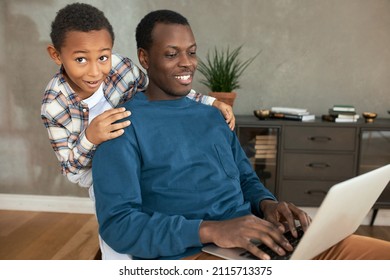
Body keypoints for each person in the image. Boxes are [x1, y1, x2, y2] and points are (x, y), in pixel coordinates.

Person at [92, 9, 390, 260]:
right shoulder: (121, 127)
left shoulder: (213, 116)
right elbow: (119, 225)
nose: (187, 62)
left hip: (256, 239)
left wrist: (267, 205)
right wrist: (212, 230)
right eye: (171, 54)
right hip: (195, 252)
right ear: (144, 58)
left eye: (192, 52)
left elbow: (246, 179)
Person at [40, 3, 234, 260]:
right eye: (80, 59)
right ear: (56, 55)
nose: (95, 70)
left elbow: (163, 88)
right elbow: (71, 169)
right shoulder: (54, 105)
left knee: (150, 201)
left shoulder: (121, 68)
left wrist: (211, 102)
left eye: (103, 57)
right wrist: (91, 137)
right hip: (90, 169)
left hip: (131, 148)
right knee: (118, 228)